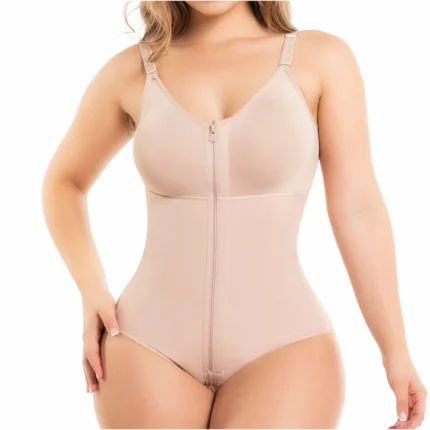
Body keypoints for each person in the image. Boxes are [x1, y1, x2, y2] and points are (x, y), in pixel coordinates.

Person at [41, 1, 427, 429]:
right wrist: (91, 289)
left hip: (285, 347)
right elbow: (64, 182)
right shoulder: (131, 71)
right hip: (144, 345)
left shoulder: (321, 60)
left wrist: (395, 350)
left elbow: (358, 209)